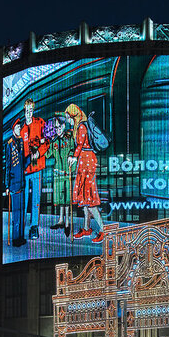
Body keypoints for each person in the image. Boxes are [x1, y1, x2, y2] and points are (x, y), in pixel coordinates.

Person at [63, 103, 105, 243]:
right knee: (84, 199)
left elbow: (80, 145)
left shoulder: (81, 126)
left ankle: (103, 230)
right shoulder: (80, 125)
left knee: (89, 199)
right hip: (84, 161)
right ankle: (87, 228)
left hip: (86, 161)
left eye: (69, 117)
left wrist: (73, 157)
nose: (68, 120)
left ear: (73, 115)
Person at [13, 99, 49, 240]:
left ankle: (34, 226)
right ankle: (21, 225)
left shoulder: (40, 123)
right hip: (25, 170)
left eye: (31, 110)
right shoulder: (20, 129)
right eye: (27, 110)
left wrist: (39, 153)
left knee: (35, 199)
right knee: (24, 198)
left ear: (33, 110)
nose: (29, 113)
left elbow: (46, 141)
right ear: (24, 111)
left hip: (37, 168)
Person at [48, 115, 76, 236]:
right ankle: (60, 220)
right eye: (56, 127)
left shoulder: (68, 138)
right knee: (60, 198)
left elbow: (73, 149)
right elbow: (48, 154)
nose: (57, 129)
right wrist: (46, 141)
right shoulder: (53, 141)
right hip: (58, 173)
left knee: (67, 198)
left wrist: (71, 155)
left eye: (59, 127)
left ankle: (68, 223)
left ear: (63, 126)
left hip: (68, 172)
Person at [2, 126, 27, 247]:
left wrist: (31, 156)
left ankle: (21, 237)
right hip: (13, 183)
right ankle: (15, 238)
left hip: (21, 182)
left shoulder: (21, 142)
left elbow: (23, 162)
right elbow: (7, 165)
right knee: (16, 213)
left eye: (20, 127)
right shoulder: (9, 144)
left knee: (22, 212)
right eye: (17, 128)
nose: (19, 129)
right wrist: (6, 185)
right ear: (13, 130)